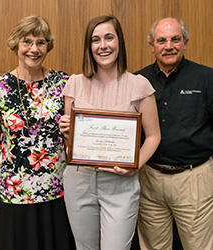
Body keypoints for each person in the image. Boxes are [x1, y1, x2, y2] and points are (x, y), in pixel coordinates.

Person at [59, 15, 161, 250]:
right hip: (79, 181)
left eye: (109, 38)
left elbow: (154, 136)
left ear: (119, 42)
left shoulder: (140, 85)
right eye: (95, 40)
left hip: (120, 184)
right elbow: (71, 143)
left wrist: (134, 165)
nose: (103, 45)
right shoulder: (74, 84)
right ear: (89, 46)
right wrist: (66, 132)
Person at [0, 15, 76, 250]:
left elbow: (74, 137)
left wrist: (70, 132)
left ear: (48, 47)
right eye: (27, 42)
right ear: (16, 45)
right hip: (13, 190)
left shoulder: (64, 83)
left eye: (41, 42)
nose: (34, 49)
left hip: (56, 188)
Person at [135, 17, 213, 250]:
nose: (169, 46)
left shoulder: (207, 78)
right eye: (161, 40)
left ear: (185, 43)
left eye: (175, 39)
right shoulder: (138, 81)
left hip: (193, 179)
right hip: (149, 179)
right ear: (152, 46)